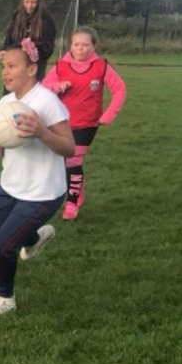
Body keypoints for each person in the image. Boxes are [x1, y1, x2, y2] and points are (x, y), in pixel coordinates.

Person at [0, 38, 75, 316]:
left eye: (12, 65)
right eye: (3, 66)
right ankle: (33, 236)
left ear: (31, 69)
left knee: (4, 244)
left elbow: (69, 148)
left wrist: (41, 132)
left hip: (43, 192)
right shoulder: (5, 102)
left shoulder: (46, 101)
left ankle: (5, 297)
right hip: (11, 186)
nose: (5, 72)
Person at [41, 26, 127, 220]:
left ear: (93, 46)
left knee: (73, 161)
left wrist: (108, 116)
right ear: (71, 45)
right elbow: (45, 86)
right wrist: (57, 86)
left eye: (85, 45)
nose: (81, 48)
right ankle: (78, 193)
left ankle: (71, 204)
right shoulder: (61, 66)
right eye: (76, 44)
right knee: (63, 162)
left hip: (87, 123)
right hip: (61, 122)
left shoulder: (102, 66)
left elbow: (120, 90)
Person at [1, 0, 57, 79]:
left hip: (35, 63)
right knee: (13, 89)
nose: (29, 5)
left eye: (33, 2)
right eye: (27, 2)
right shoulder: (17, 16)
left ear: (38, 3)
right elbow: (9, 36)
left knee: (32, 90)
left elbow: (48, 45)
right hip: (16, 60)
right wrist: (5, 50)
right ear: (22, 2)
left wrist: (32, 47)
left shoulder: (46, 19)